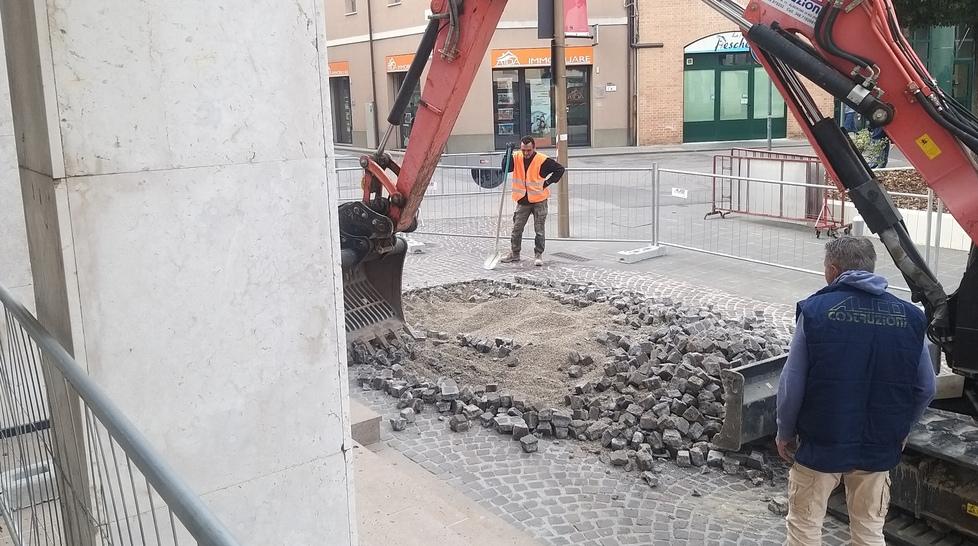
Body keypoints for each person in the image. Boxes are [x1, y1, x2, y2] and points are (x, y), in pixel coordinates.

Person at [776, 237, 936, 546]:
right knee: (868, 532)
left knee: (804, 528)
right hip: (879, 443)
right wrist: (901, 429)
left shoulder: (815, 311)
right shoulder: (912, 318)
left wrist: (785, 431)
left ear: (833, 271)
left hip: (822, 440)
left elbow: (791, 384)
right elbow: (926, 387)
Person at [500, 136, 565, 266]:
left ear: (534, 148)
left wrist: (547, 182)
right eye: (523, 150)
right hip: (522, 200)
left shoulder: (542, 160)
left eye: (528, 150)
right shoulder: (516, 156)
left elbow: (560, 169)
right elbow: (505, 168)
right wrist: (508, 153)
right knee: (516, 229)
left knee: (539, 229)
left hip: (539, 200)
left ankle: (538, 254)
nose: (526, 153)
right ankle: (515, 254)